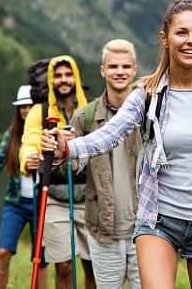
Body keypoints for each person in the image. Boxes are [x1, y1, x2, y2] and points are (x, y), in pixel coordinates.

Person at [41, 0, 192, 289]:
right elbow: (110, 133)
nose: (191, 40)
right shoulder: (148, 93)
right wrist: (68, 149)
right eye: (182, 32)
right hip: (159, 221)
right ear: (165, 39)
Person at [70, 39, 141, 288]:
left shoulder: (151, 112)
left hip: (146, 230)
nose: (119, 72)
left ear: (134, 70)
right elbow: (73, 167)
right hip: (103, 229)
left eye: (125, 66)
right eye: (113, 67)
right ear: (103, 71)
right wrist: (63, 156)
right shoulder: (84, 117)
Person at [19, 55, 95, 289]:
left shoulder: (90, 109)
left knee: (93, 266)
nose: (64, 80)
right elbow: (30, 142)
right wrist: (28, 159)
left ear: (76, 78)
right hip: (54, 197)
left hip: (90, 198)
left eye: (68, 74)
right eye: (58, 76)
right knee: (62, 265)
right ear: (51, 80)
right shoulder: (39, 112)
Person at [0, 85, 48, 289]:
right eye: (22, 107)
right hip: (15, 204)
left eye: (30, 106)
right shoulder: (12, 135)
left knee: (41, 258)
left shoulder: (45, 134)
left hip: (41, 203)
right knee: (3, 252)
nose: (26, 110)